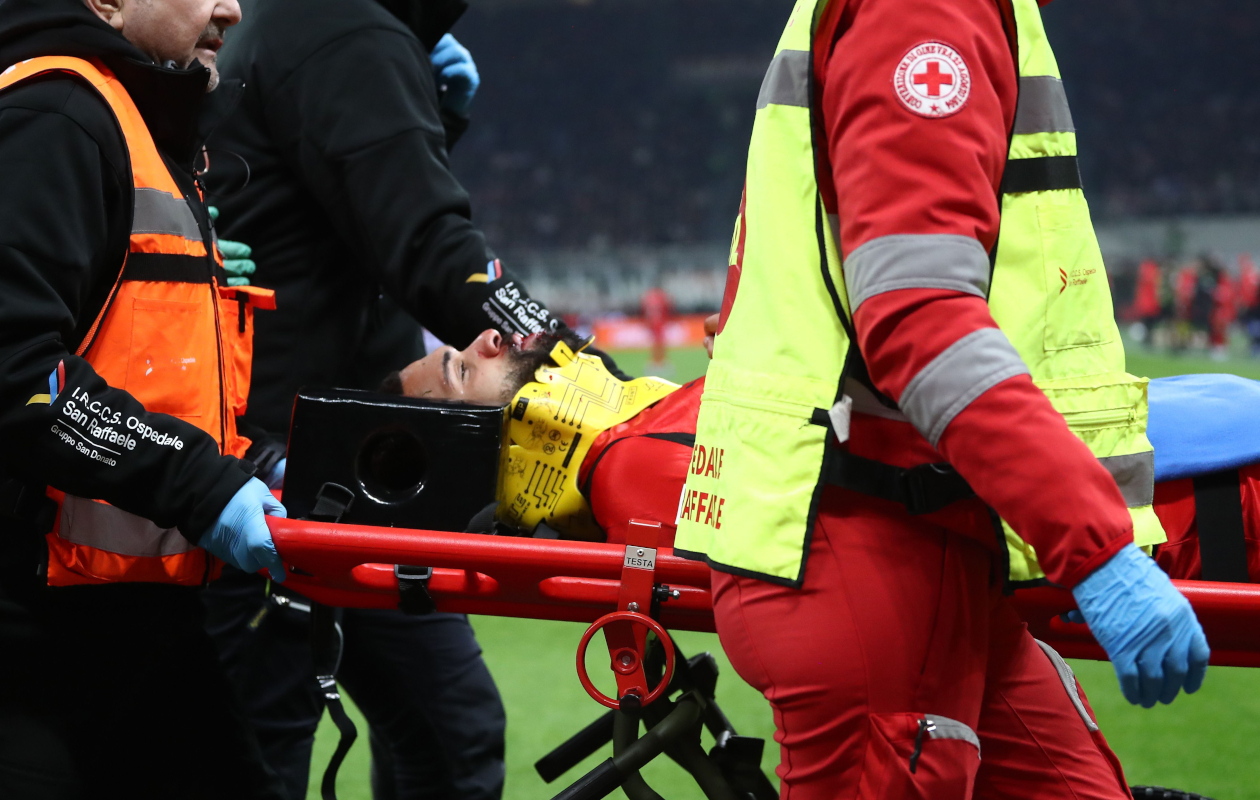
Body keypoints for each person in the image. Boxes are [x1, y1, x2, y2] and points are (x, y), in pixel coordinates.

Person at [665, 0, 1209, 797]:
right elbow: (917, 313)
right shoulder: (926, 9)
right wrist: (1097, 550)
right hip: (875, 550)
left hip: (921, 539)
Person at [197, 1, 599, 797]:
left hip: (350, 464)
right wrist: (587, 381)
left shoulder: (311, 26)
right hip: (276, 479)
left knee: (442, 734)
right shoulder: (346, 28)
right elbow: (435, 253)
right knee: (275, 755)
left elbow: (337, 232)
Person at [0, 0, 291, 797]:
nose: (232, 7)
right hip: (31, 633)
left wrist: (253, 466)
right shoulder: (57, 115)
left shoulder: (141, 129)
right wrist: (203, 486)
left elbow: (150, 377)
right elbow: (16, 373)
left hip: (131, 621)